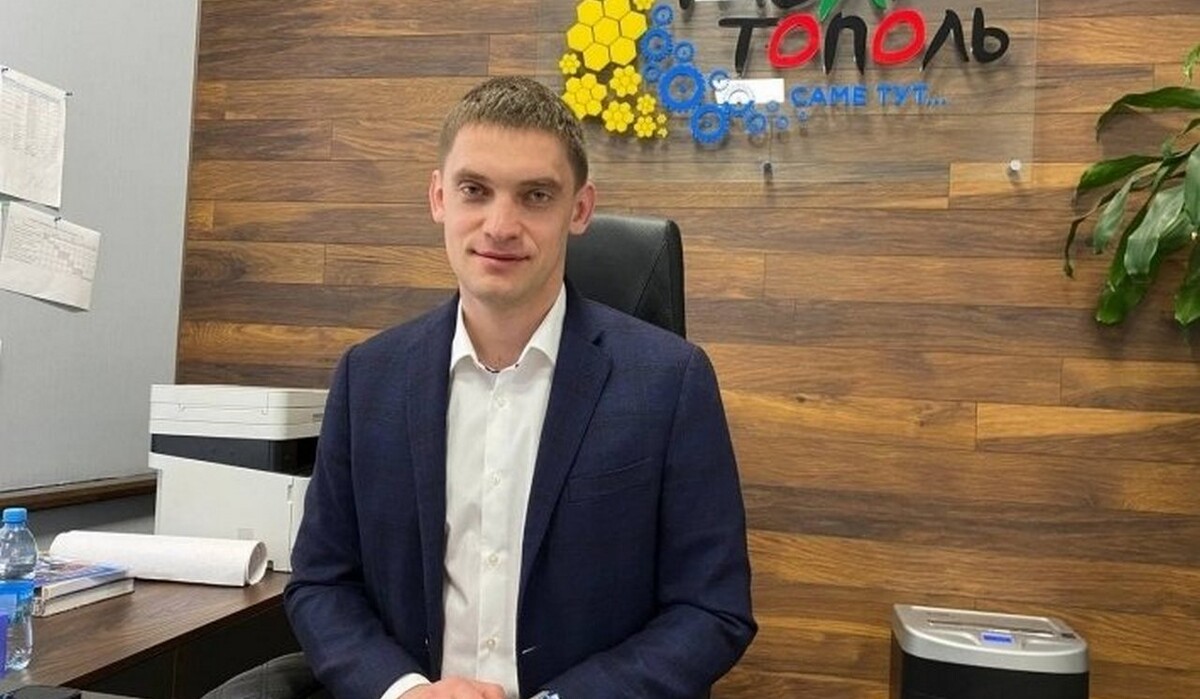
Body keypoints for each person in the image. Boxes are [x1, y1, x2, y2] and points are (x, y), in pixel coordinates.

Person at [285, 76, 755, 699]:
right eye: (474, 190)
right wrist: (403, 691)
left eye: (535, 195)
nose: (501, 225)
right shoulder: (367, 378)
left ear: (579, 210)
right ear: (439, 197)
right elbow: (322, 583)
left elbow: (711, 608)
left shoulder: (670, 383)